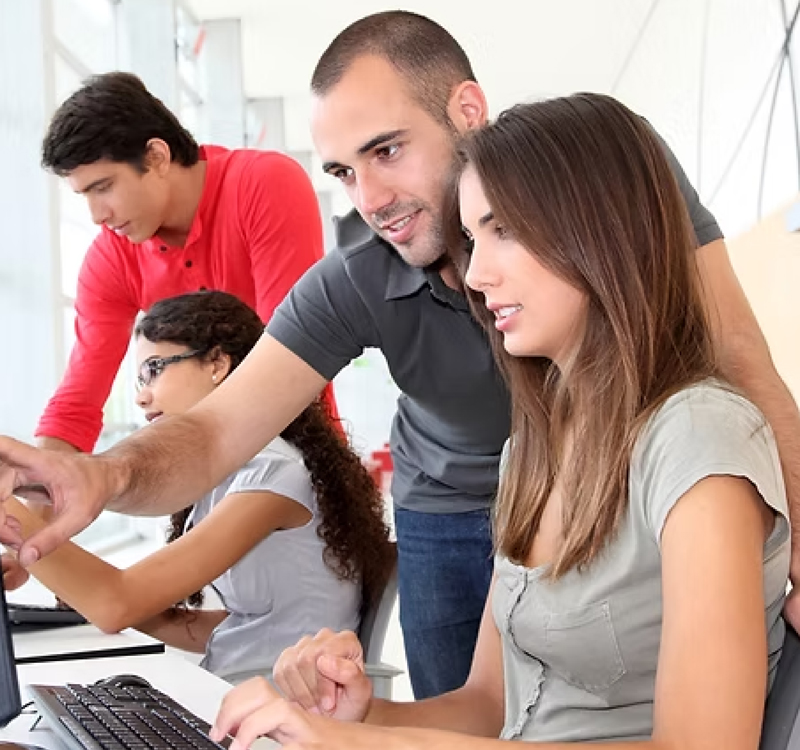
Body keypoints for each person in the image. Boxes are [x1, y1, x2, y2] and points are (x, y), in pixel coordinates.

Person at [1, 12, 799, 700]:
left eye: (387, 150)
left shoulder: (608, 185)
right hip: (448, 504)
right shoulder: (357, 276)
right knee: (470, 702)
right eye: (344, 173)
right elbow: (214, 434)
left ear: (467, 110)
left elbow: (737, 351)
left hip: (599, 479)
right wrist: (99, 477)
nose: (370, 200)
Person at [209, 94, 791, 749]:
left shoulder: (699, 437)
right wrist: (351, 719)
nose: (477, 275)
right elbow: (487, 708)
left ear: (603, 229)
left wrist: (365, 747)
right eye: (472, 238)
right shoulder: (532, 447)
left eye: (504, 230)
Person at [2, 291, 393, 684]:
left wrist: (11, 516)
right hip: (244, 692)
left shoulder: (273, 472)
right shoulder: (230, 475)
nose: (141, 396)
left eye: (155, 369)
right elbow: (244, 629)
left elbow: (115, 603)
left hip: (280, 710)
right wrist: (79, 591)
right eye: (140, 379)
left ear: (218, 364)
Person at [36, 71, 327, 455]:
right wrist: (34, 486)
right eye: (83, 196)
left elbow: (288, 362)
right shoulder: (110, 257)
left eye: (103, 187)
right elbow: (76, 406)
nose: (96, 216)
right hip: (203, 472)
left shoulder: (263, 185)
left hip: (298, 458)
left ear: (156, 156)